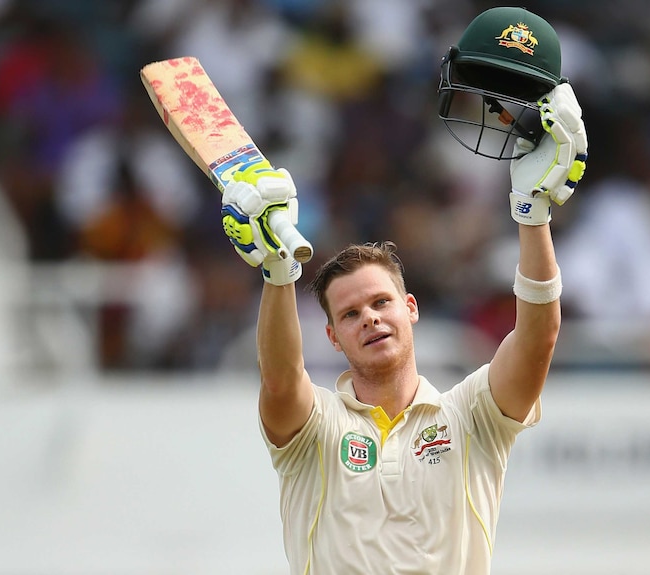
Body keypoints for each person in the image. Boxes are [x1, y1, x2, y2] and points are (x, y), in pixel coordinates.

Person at [220, 6, 588, 574]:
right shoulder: (315, 428)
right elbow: (280, 377)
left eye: (381, 302)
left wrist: (532, 213)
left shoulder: (471, 418)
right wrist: (277, 274)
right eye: (351, 314)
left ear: (411, 309)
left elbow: (538, 339)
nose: (369, 318)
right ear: (333, 337)